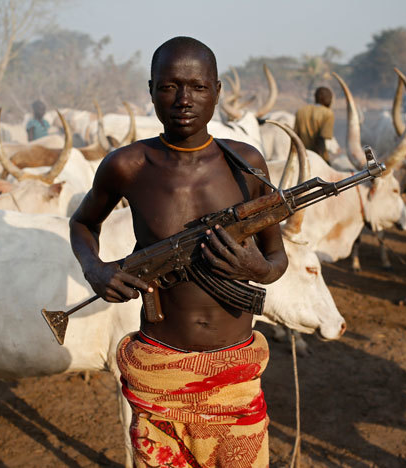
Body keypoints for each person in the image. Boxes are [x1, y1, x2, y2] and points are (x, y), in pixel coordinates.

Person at [69, 36, 288, 467]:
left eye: (198, 87)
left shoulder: (246, 165)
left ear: (218, 91)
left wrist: (258, 270)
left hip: (234, 374)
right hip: (159, 370)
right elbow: (82, 222)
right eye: (169, 87)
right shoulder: (127, 165)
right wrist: (95, 269)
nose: (183, 100)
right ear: (151, 90)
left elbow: (277, 257)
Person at [293, 86, 336, 162]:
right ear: (325, 98)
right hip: (317, 157)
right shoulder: (328, 113)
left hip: (302, 156)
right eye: (330, 98)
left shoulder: (301, 111)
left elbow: (295, 137)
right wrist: (322, 161)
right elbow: (321, 139)